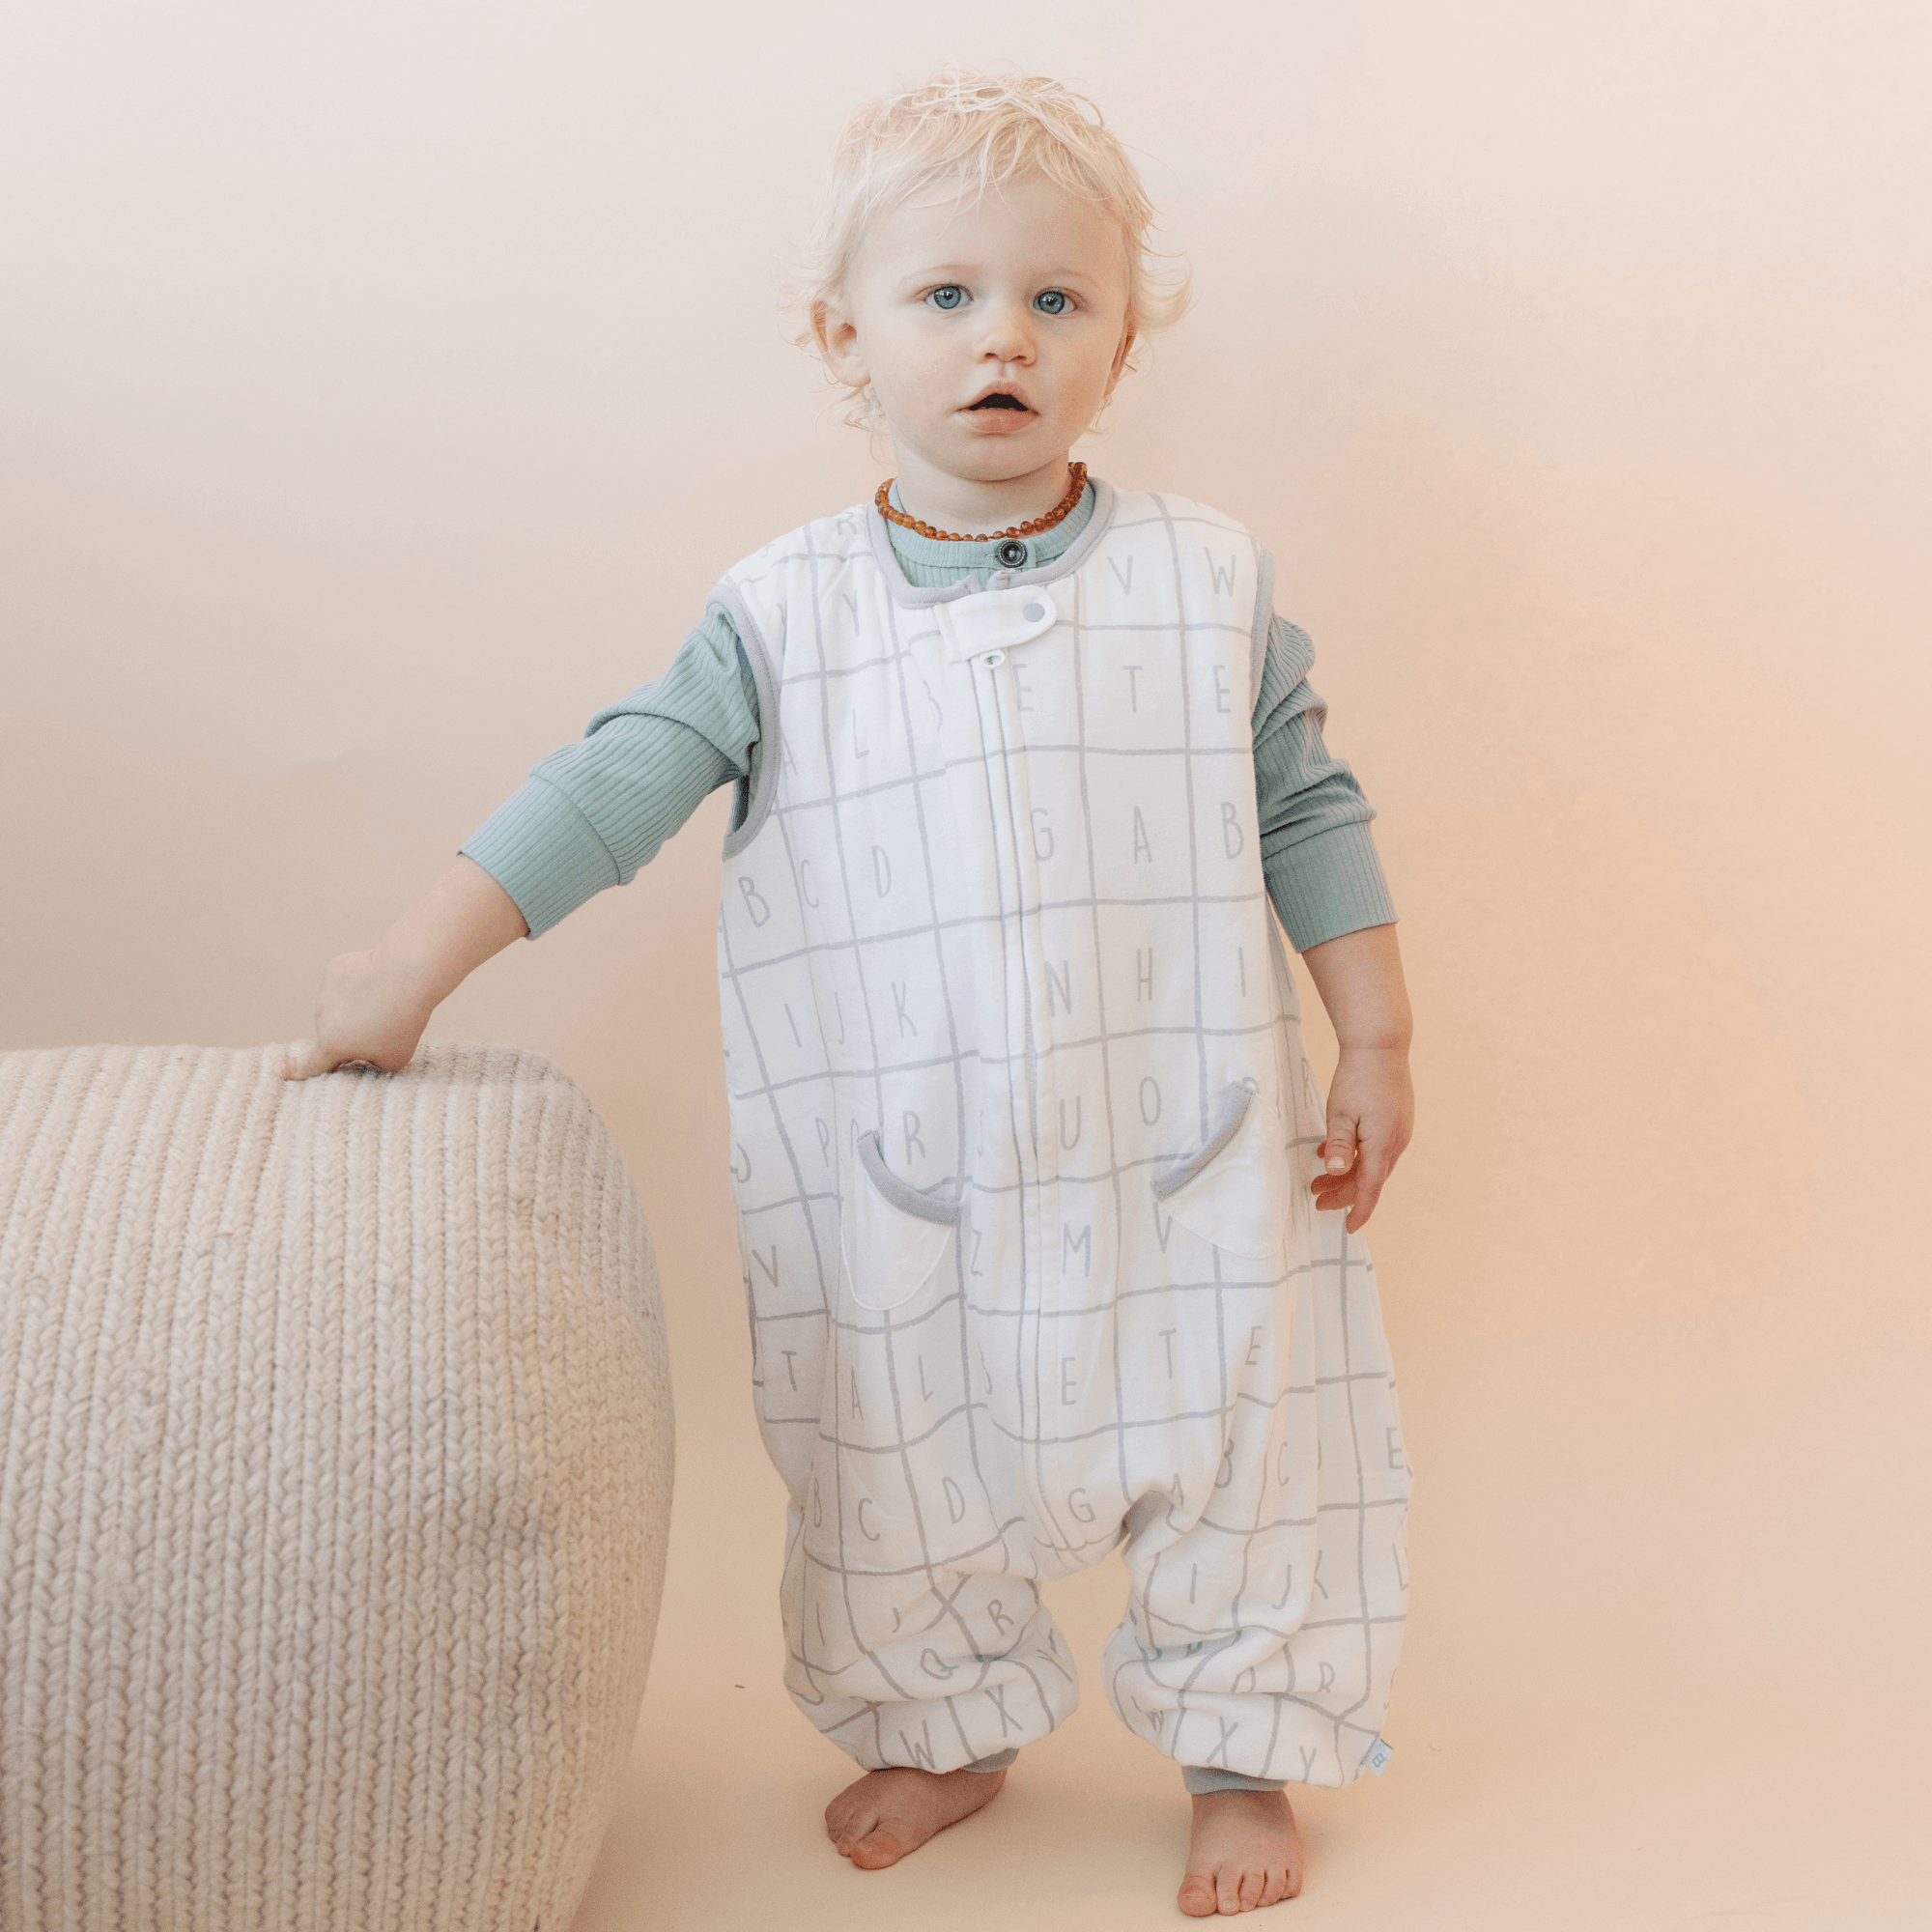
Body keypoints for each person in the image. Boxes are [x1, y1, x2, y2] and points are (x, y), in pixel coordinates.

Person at [279, 70, 1414, 1918]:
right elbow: (618, 779)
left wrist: (1375, 1031)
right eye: (946, 295)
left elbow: (1304, 802)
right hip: (905, 1167)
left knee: (1245, 1445)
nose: (1005, 341)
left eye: (1059, 301)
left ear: (1122, 341)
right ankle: (944, 1719)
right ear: (845, 333)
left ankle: (1242, 1749)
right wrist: (412, 964)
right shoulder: (784, 614)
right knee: (888, 1452)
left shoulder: (1210, 589)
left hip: (1185, 1149)